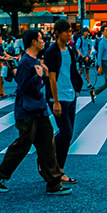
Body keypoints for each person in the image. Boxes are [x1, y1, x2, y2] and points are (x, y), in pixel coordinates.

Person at [0, 29, 71, 196]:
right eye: (41, 39)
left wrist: (42, 75)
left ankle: (53, 183)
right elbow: (23, 86)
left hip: (39, 109)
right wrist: (39, 76)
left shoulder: (34, 60)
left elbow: (37, 86)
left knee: (47, 144)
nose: (44, 41)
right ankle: (1, 173)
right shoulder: (25, 62)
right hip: (27, 110)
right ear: (34, 41)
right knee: (23, 144)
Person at [44, 20, 81, 185]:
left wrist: (77, 88)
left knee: (68, 133)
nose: (69, 34)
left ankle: (54, 167)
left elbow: (72, 71)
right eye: (66, 31)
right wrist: (56, 101)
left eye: (70, 31)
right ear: (58, 32)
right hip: (58, 98)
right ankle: (53, 166)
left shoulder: (70, 50)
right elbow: (51, 77)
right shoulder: (52, 51)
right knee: (66, 133)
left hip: (71, 95)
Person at [90, 28, 107, 103]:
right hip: (104, 63)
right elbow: (99, 54)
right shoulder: (102, 42)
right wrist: (99, 66)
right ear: (102, 32)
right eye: (106, 30)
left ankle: (94, 92)